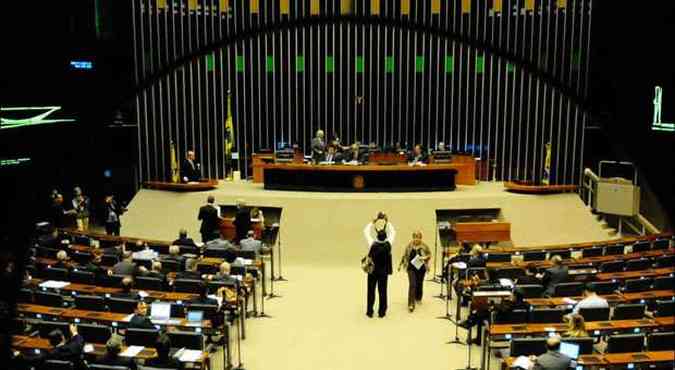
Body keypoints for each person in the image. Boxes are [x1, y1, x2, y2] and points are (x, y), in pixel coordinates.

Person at [459, 289, 531, 345]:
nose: (510, 295)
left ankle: (474, 332)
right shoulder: (526, 305)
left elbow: (501, 309)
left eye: (512, 294)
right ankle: (470, 322)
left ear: (515, 296)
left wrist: (493, 305)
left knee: (482, 315)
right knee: (482, 313)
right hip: (520, 326)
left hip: (502, 326)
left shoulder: (509, 304)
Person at [398, 231, 432, 312]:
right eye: (415, 237)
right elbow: (405, 255)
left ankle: (418, 297)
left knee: (419, 283)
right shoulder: (409, 246)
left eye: (418, 237)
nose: (417, 239)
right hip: (411, 268)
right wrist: (400, 264)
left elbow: (429, 255)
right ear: (413, 238)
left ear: (421, 238)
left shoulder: (424, 246)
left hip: (421, 268)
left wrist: (423, 258)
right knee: (412, 284)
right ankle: (411, 304)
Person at [366, 230, 393, 318]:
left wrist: (373, 222)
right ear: (386, 237)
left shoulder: (372, 244)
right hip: (383, 273)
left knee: (371, 292)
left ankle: (370, 311)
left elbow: (366, 231)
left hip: (372, 272)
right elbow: (393, 231)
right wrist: (387, 221)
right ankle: (382, 312)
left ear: (377, 237)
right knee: (383, 292)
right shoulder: (388, 245)